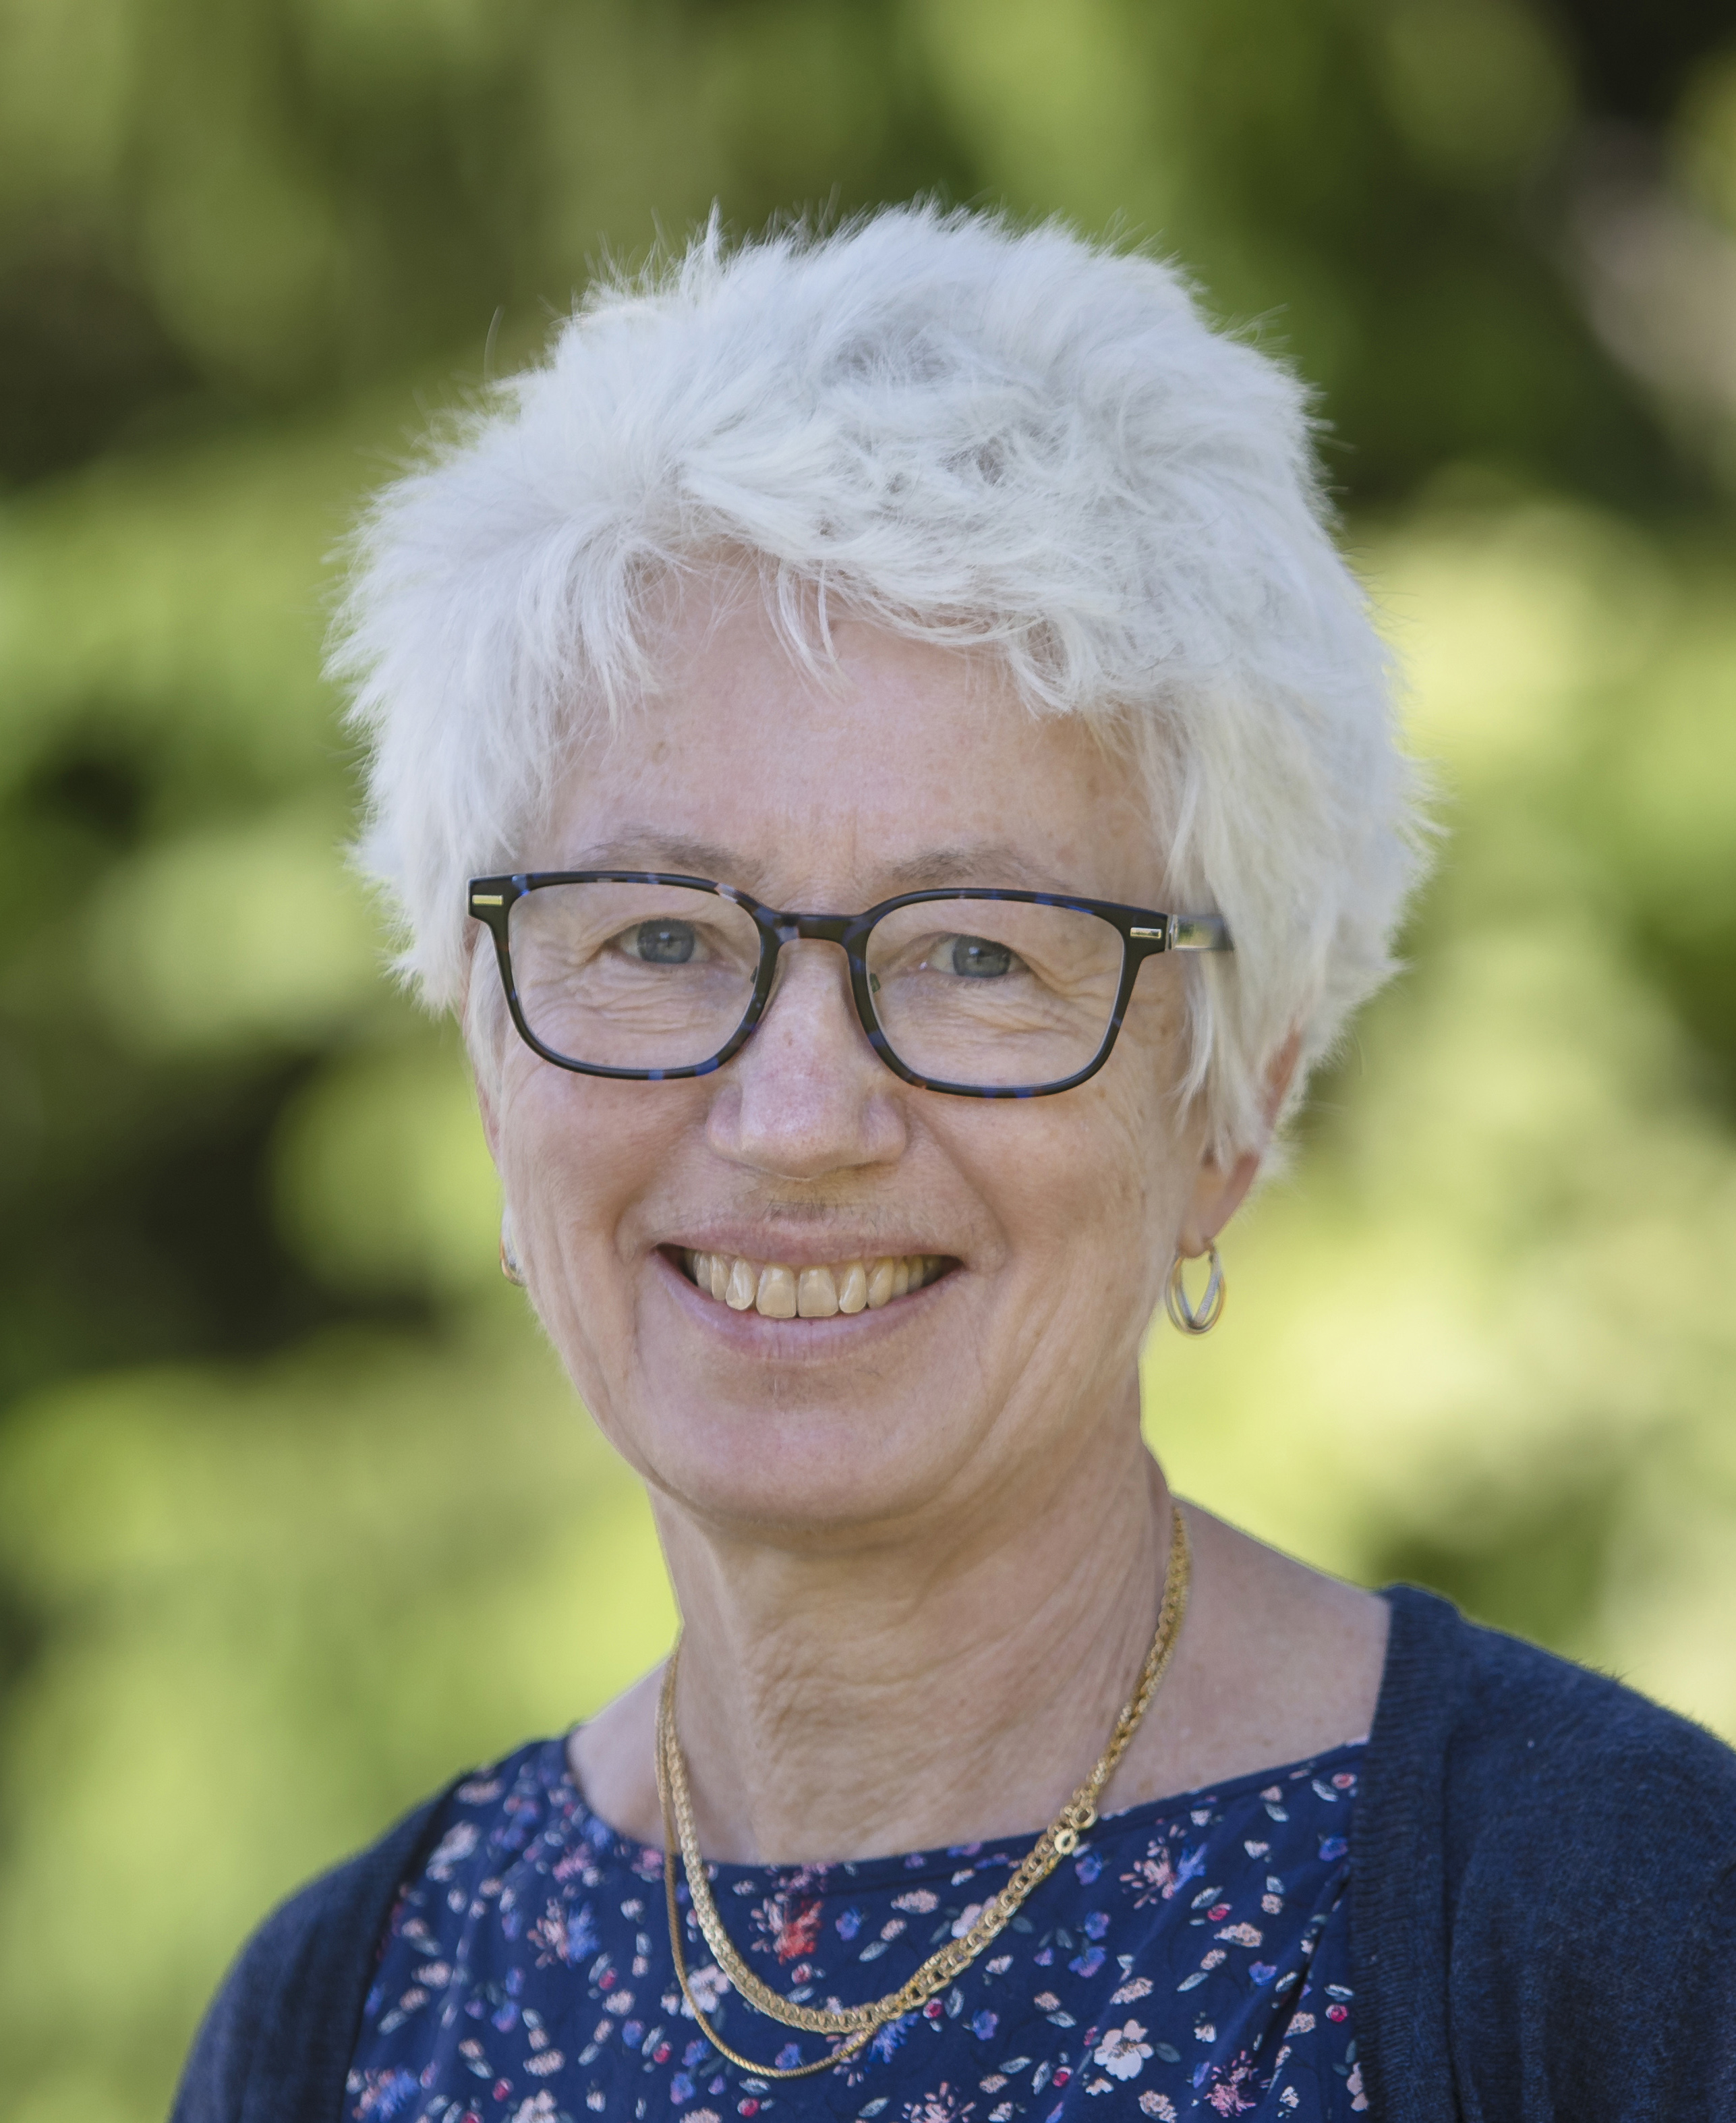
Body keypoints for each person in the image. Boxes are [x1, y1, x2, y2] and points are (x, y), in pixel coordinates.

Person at [171, 208, 1736, 2123]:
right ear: (493, 1066)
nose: (794, 1117)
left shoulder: (1621, 1937)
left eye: (980, 954)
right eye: (658, 934)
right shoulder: (344, 2020)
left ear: (1231, 1110)